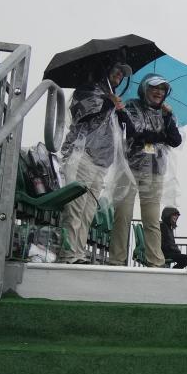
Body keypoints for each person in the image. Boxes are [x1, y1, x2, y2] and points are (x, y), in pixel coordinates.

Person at [56, 62, 131, 264]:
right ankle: (68, 253)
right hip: (82, 156)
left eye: (122, 74)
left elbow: (123, 130)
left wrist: (121, 112)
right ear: (105, 70)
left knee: (88, 211)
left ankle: (78, 252)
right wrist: (109, 104)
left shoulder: (112, 98)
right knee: (75, 207)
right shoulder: (87, 90)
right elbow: (83, 114)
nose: (119, 75)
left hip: (101, 162)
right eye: (115, 70)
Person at [109, 74, 182, 267]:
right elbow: (135, 133)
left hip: (155, 171)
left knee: (151, 219)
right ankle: (117, 259)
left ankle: (155, 261)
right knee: (122, 215)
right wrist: (159, 136)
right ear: (145, 89)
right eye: (154, 88)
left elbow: (175, 140)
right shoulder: (132, 106)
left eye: (162, 89)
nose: (158, 92)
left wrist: (167, 120)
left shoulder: (166, 114)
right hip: (129, 168)